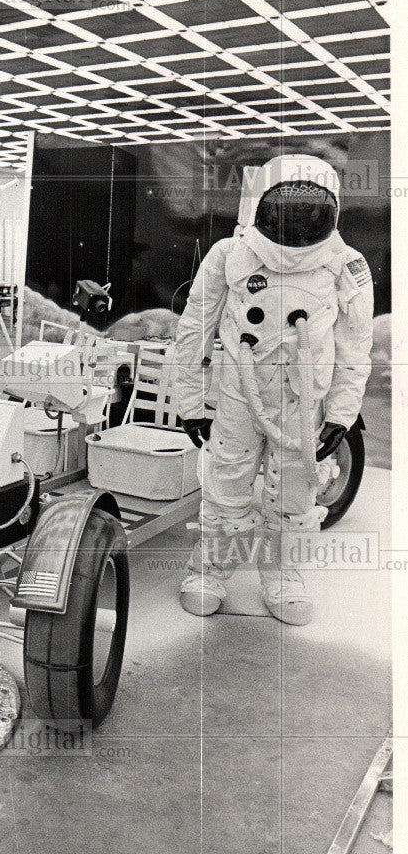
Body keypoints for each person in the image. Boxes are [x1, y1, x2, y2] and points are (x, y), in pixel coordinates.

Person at [174, 154, 374, 625]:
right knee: (227, 483)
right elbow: (193, 331)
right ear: (259, 207)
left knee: (296, 492)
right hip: (239, 395)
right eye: (288, 210)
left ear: (332, 212)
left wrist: (342, 415)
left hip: (304, 401)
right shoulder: (229, 254)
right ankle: (209, 570)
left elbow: (354, 347)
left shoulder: (346, 265)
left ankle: (284, 576)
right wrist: (190, 401)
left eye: (310, 211)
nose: (300, 221)